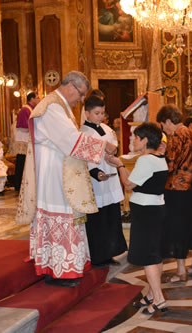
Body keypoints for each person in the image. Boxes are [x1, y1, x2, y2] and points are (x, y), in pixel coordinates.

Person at [16, 71, 117, 288]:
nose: (81, 100)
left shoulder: (61, 107)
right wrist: (102, 146)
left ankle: (62, 267)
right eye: (81, 95)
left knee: (67, 215)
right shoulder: (52, 107)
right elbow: (70, 140)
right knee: (59, 214)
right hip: (54, 174)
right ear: (71, 86)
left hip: (62, 170)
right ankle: (58, 271)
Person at [106, 122, 169, 315]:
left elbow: (128, 184)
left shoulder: (146, 160)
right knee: (155, 253)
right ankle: (151, 294)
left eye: (136, 137)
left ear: (145, 140)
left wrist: (120, 165)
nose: (132, 140)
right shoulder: (159, 158)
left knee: (148, 257)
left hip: (146, 212)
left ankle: (159, 299)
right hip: (156, 209)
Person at [156, 105, 192, 282]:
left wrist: (160, 154)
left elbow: (170, 165)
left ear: (168, 121)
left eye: (163, 125)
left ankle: (181, 270)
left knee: (178, 228)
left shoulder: (175, 136)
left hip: (177, 187)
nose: (163, 129)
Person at [80, 96, 127, 267]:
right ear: (87, 113)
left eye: (102, 113)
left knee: (111, 217)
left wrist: (113, 150)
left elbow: (114, 147)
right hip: (96, 180)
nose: (100, 116)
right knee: (98, 220)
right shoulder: (83, 133)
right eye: (96, 113)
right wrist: (96, 172)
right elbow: (83, 158)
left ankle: (110, 252)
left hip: (110, 176)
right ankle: (97, 255)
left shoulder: (107, 128)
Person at [13, 92, 40, 192]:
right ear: (31, 99)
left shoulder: (30, 109)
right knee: (21, 162)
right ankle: (18, 185)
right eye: (37, 98)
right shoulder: (26, 109)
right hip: (23, 140)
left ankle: (22, 185)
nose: (38, 100)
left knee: (24, 162)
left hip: (26, 139)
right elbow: (25, 125)